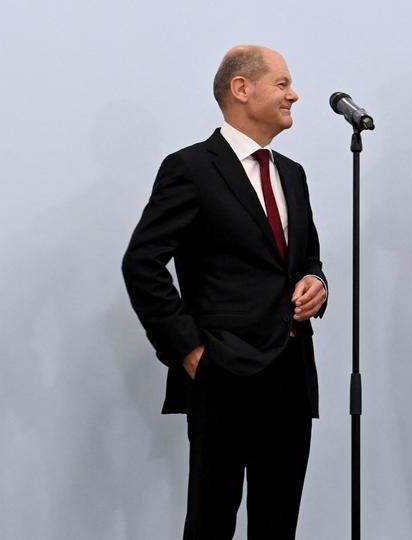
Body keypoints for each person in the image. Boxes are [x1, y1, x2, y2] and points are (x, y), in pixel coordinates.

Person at [122, 45, 327, 539]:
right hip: (224, 373)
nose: (293, 94)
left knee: (278, 522)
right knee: (213, 519)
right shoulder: (191, 168)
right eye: (282, 84)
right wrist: (189, 350)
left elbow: (307, 260)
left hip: (290, 372)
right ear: (242, 89)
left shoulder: (291, 174)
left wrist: (318, 285)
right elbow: (142, 262)